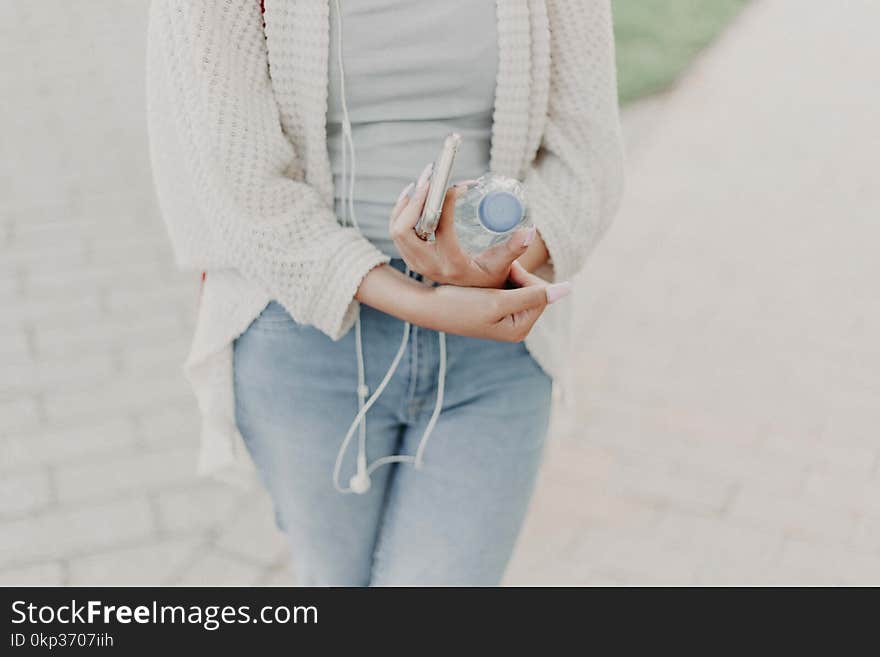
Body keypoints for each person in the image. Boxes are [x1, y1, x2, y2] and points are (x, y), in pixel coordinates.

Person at [146, 0, 624, 586]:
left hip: (492, 352)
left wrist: (483, 269)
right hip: (304, 338)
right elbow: (237, 182)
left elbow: (587, 159)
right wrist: (424, 301)